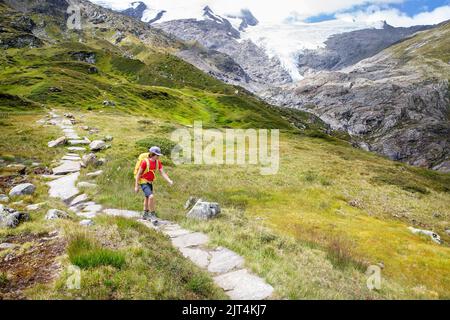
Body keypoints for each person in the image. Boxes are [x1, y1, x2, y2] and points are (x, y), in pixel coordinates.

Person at [134, 146, 173, 224]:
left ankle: (145, 214)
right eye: (157, 155)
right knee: (151, 197)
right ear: (152, 154)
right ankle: (152, 215)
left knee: (147, 198)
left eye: (158, 155)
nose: (158, 157)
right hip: (143, 182)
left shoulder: (157, 162)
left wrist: (169, 180)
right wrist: (136, 186)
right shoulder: (145, 162)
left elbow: (162, 172)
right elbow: (138, 174)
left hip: (150, 182)